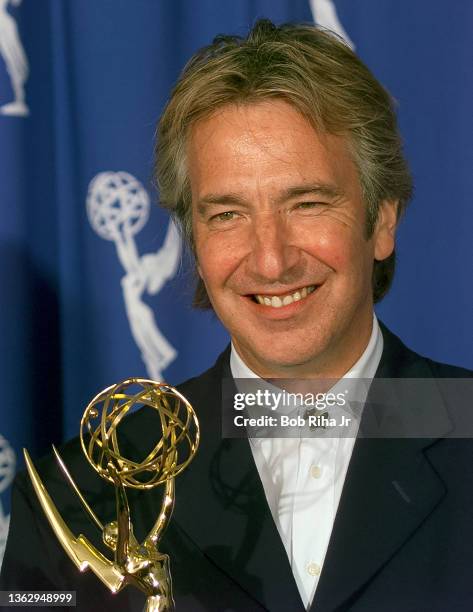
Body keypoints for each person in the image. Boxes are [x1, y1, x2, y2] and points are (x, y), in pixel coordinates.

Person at [1, 19, 472, 612]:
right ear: (193, 242)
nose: (271, 260)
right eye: (227, 215)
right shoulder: (74, 498)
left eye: (307, 204)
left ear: (382, 222)